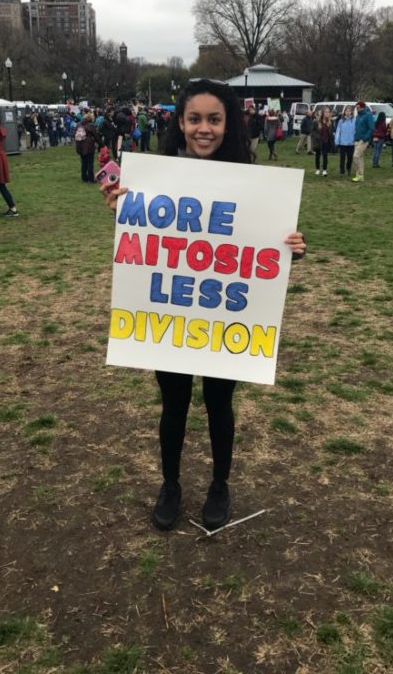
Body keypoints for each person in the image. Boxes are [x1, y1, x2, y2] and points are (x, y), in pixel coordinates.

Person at [100, 79, 306, 532]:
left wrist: (292, 245)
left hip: (223, 317)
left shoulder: (251, 179)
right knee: (173, 406)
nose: (204, 129)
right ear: (180, 122)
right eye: (195, 119)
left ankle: (219, 484)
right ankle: (170, 484)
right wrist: (120, 206)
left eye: (214, 119)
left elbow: (263, 245)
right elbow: (144, 237)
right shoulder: (155, 180)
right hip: (173, 317)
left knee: (218, 403)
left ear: (227, 123)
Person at [351, 101, 375, 182]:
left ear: (362, 107)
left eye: (358, 107)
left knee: (355, 156)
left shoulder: (368, 115)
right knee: (360, 157)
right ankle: (360, 176)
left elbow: (371, 128)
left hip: (363, 140)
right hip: (357, 139)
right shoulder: (358, 116)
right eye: (356, 108)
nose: (357, 109)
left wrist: (365, 138)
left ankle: (360, 174)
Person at [75, 112, 98, 183]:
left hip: (80, 145)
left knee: (83, 162)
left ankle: (84, 177)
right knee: (90, 162)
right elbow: (96, 136)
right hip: (89, 146)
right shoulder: (91, 125)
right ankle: (91, 178)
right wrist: (102, 144)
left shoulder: (79, 124)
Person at [334, 105, 355, 177]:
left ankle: (348, 168)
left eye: (349, 111)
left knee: (350, 158)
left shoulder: (354, 120)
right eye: (346, 111)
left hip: (351, 143)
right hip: (342, 143)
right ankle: (342, 171)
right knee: (342, 158)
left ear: (351, 112)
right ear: (344, 112)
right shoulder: (341, 121)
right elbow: (338, 131)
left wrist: (355, 140)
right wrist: (337, 141)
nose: (348, 112)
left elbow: (355, 131)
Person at [311, 107, 333, 176]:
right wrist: (317, 136)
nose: (327, 113)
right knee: (317, 156)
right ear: (323, 113)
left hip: (326, 141)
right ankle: (317, 169)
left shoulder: (330, 122)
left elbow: (331, 132)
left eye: (328, 112)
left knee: (325, 156)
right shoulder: (316, 121)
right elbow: (312, 131)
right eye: (326, 112)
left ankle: (324, 170)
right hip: (318, 141)